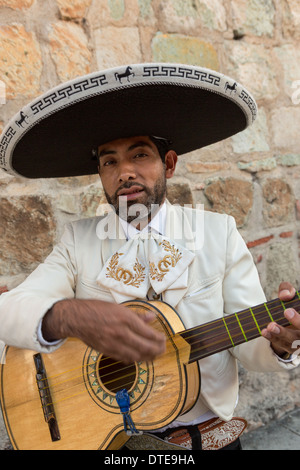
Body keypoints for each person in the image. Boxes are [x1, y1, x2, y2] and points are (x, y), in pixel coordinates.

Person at [0, 63, 299, 451]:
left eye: (139, 155)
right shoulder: (78, 241)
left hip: (207, 439)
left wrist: (280, 344)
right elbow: (8, 311)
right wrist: (65, 315)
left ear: (169, 164)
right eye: (109, 162)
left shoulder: (218, 232)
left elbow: (250, 349)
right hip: (115, 444)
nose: (124, 172)